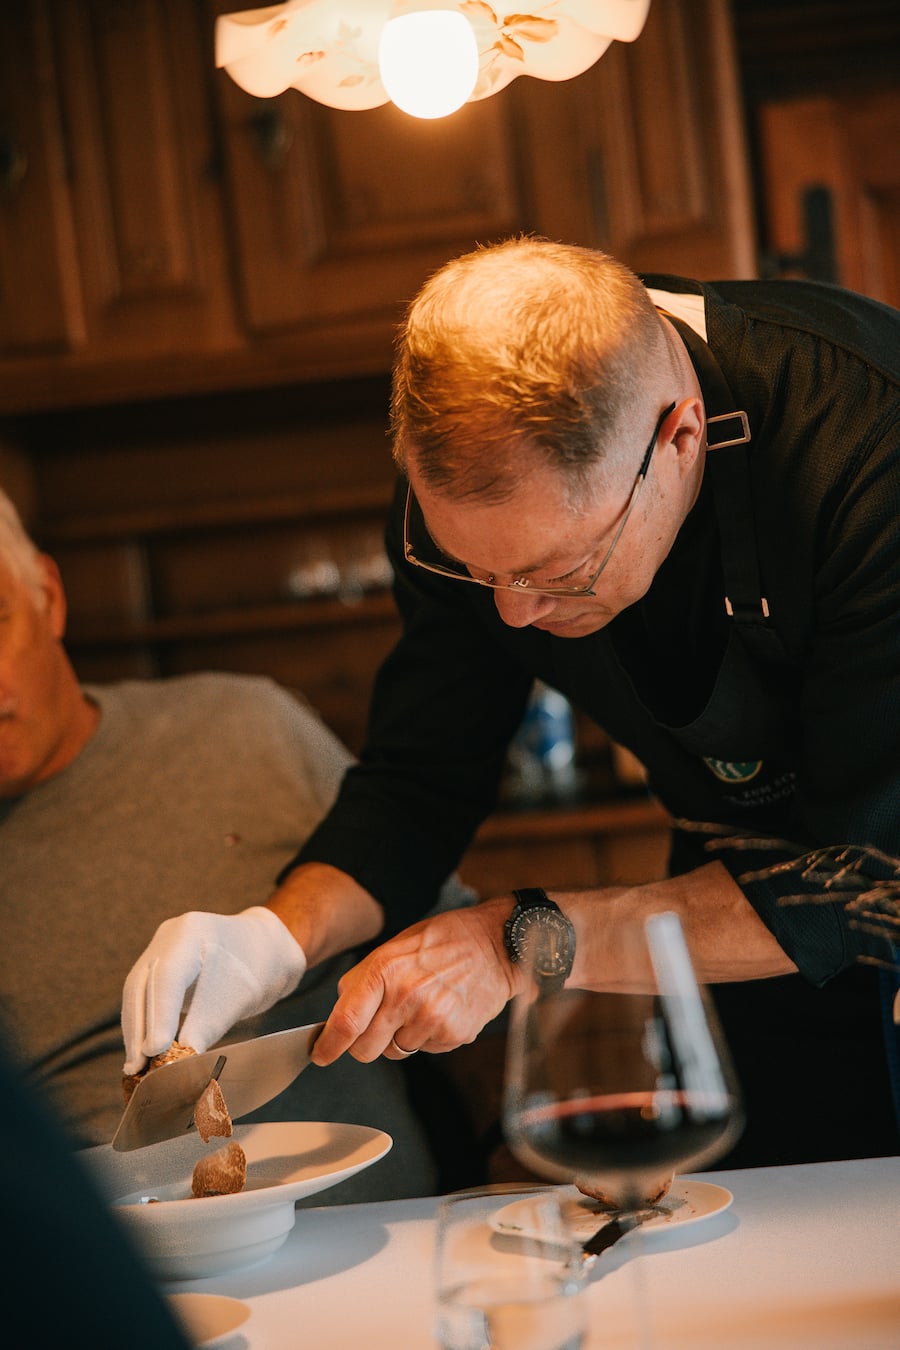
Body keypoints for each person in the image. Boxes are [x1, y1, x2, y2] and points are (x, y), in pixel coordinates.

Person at [121, 237, 900, 1166]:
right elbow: (421, 780)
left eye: (556, 572)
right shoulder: (471, 493)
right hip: (727, 899)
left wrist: (522, 941)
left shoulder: (866, 444)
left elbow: (861, 873)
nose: (512, 614)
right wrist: (273, 940)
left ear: (681, 439)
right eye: (473, 569)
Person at [0, 484, 474, 1200]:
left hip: (382, 1227)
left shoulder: (245, 728)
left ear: (49, 597)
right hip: (98, 1256)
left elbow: (461, 962)